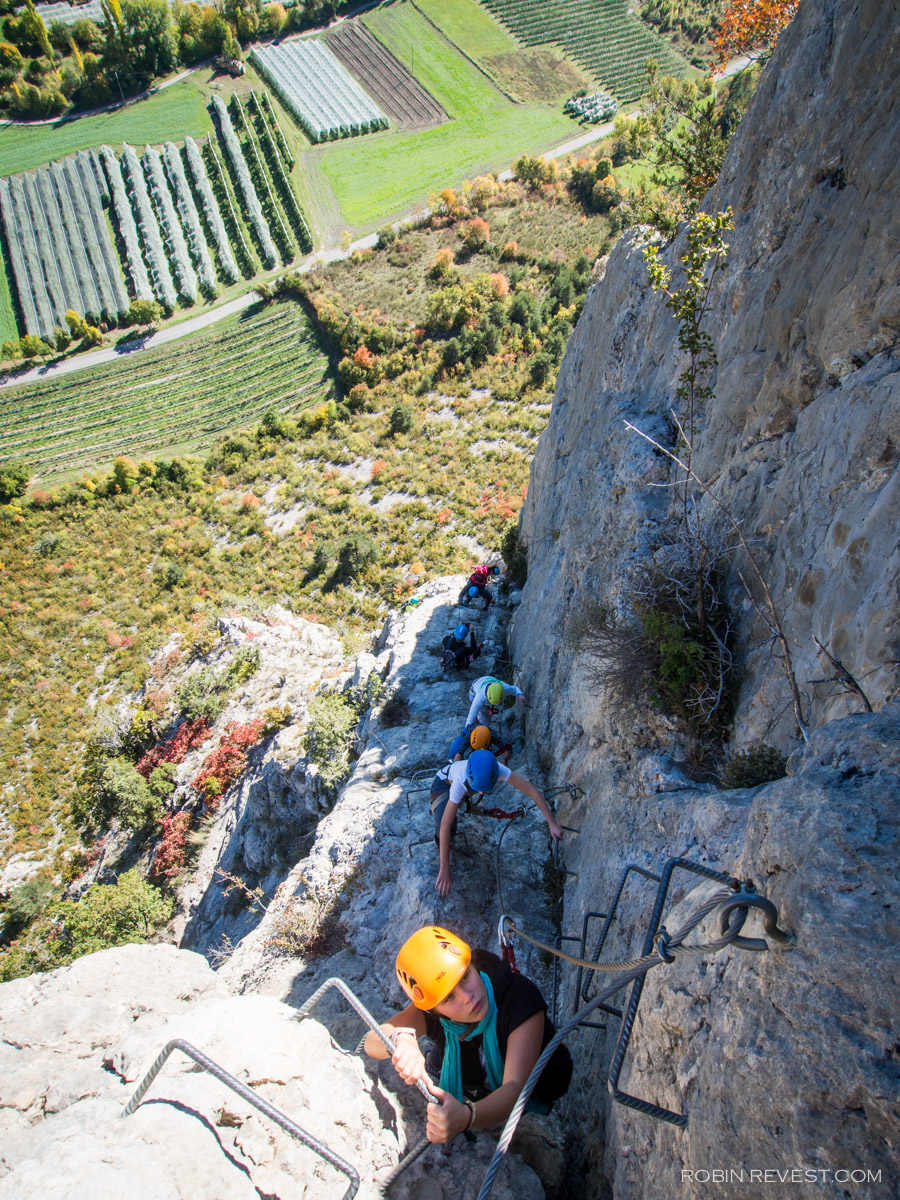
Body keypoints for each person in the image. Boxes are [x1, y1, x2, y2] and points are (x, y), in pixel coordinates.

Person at [364, 926, 573, 1143]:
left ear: (472, 963)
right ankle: (438, 1059)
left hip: (543, 1083)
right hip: (477, 1077)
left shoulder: (519, 998)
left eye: (465, 977)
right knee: (441, 1056)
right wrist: (402, 1038)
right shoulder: (432, 1008)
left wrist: (467, 1117)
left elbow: (514, 1089)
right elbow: (371, 1041)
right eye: (448, 999)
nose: (466, 997)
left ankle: (439, 1060)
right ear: (432, 1010)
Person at [430, 749, 562, 895]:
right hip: (442, 784)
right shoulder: (459, 783)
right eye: (480, 790)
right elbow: (445, 824)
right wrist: (444, 867)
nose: (482, 794)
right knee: (450, 831)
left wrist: (552, 823)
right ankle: (437, 836)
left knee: (452, 822)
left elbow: (532, 791)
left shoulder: (497, 769)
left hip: (468, 782)